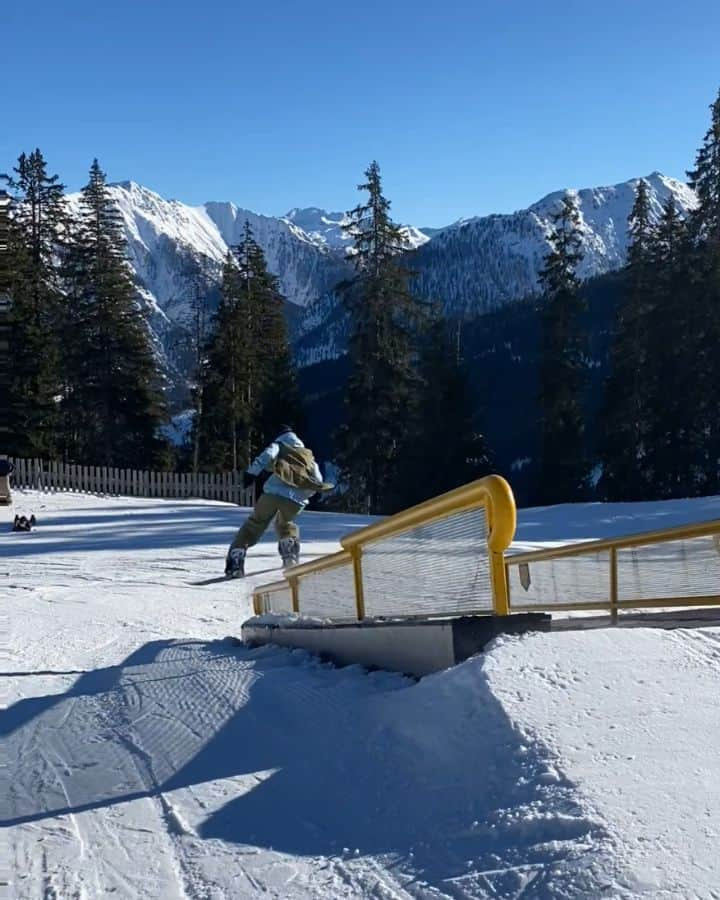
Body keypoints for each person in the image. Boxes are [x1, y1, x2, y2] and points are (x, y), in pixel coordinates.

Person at [225, 425, 333, 578]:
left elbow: (267, 456)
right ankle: (290, 553)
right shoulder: (308, 456)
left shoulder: (279, 445)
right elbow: (318, 480)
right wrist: (303, 495)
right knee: (285, 523)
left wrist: (251, 473)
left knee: (255, 523)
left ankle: (237, 557)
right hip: (295, 501)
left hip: (272, 494)